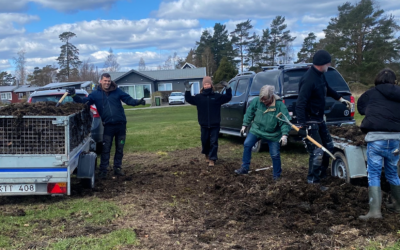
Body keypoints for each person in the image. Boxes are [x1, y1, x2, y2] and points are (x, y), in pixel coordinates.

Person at [66, 73, 146, 179]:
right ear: (101, 81)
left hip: (121, 126)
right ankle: (103, 170)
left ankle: (117, 168)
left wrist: (138, 102)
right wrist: (73, 95)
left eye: (108, 81)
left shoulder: (117, 91)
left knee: (119, 148)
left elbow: (128, 100)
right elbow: (83, 102)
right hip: (108, 126)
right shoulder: (95, 94)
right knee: (106, 149)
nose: (107, 83)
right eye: (105, 81)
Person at [296, 50, 351, 189]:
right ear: (322, 64)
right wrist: (302, 126)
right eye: (328, 63)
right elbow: (300, 103)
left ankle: (321, 174)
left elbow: (327, 88)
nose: (329, 65)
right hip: (310, 121)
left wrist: (340, 99)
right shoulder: (308, 80)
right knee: (317, 151)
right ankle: (313, 181)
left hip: (320, 119)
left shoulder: (320, 76)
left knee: (329, 147)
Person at [357, 68, 400, 220]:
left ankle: (375, 212)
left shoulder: (370, 93)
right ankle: (397, 205)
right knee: (393, 173)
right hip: (396, 140)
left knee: (374, 174)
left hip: (376, 139)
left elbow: (361, 109)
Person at [234, 85, 291, 180]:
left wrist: (284, 135)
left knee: (275, 154)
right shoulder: (257, 101)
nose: (263, 101)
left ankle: (276, 175)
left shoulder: (279, 105)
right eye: (262, 99)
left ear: (271, 96)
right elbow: (249, 113)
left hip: (273, 134)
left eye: (265, 100)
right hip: (257, 129)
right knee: (247, 144)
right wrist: (245, 125)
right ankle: (244, 168)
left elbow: (285, 121)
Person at [184, 76, 232, 166]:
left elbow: (228, 98)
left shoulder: (217, 97)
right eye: (205, 84)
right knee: (205, 140)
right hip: (204, 124)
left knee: (214, 142)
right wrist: (187, 90)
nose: (207, 85)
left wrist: (228, 88)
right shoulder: (199, 97)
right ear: (203, 86)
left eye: (208, 84)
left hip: (215, 124)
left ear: (211, 85)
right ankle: (206, 154)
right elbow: (189, 99)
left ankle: (212, 159)